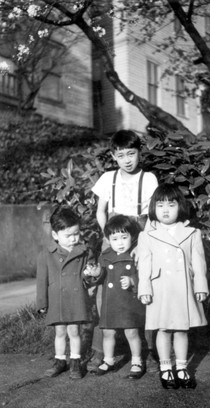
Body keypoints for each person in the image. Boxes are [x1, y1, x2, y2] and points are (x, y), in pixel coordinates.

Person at [88, 129, 158, 373]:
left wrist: (144, 242)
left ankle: (147, 350)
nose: (127, 160)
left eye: (132, 154)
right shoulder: (108, 178)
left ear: (139, 153)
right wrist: (107, 233)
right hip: (113, 232)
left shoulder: (148, 179)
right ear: (113, 156)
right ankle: (101, 351)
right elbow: (101, 210)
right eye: (121, 155)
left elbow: (152, 215)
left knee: (141, 285)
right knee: (103, 290)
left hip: (140, 233)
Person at [137, 183, 209, 389]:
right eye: (160, 205)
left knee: (181, 329)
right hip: (160, 288)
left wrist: (201, 286)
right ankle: (166, 368)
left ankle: (182, 367)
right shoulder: (146, 235)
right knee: (163, 328)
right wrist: (144, 289)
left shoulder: (192, 233)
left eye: (171, 204)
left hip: (183, 287)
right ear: (153, 208)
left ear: (180, 207)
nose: (165, 210)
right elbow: (144, 266)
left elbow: (198, 263)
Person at [84, 215, 145, 379]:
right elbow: (101, 274)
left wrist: (132, 280)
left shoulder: (135, 254)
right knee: (108, 333)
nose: (120, 242)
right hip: (110, 303)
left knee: (132, 332)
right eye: (115, 238)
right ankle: (108, 360)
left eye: (124, 237)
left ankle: (137, 361)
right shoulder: (105, 256)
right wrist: (96, 273)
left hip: (128, 303)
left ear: (132, 237)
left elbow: (144, 275)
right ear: (108, 239)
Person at [36, 206, 93, 380]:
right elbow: (41, 281)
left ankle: (75, 362)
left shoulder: (84, 252)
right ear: (55, 235)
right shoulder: (46, 254)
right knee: (60, 332)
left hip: (75, 299)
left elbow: (87, 278)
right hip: (57, 300)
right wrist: (42, 303)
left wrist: (90, 274)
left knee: (74, 332)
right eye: (68, 235)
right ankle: (60, 361)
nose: (73, 238)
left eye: (76, 234)